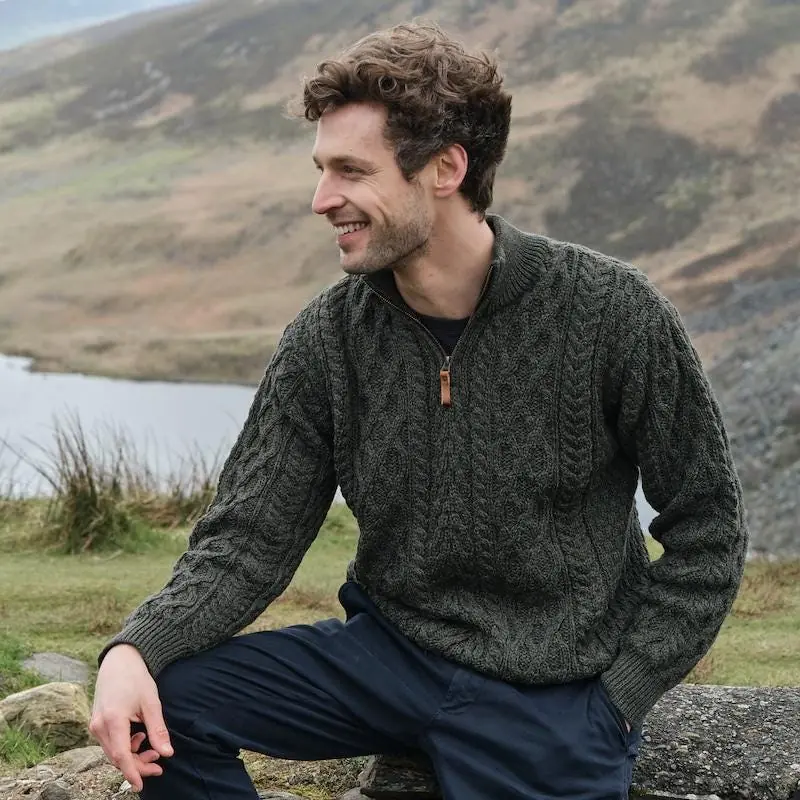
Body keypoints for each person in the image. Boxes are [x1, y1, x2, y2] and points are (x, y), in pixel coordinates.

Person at [89, 21, 748, 800]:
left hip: (553, 697)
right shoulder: (328, 338)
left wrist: (619, 700)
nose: (321, 200)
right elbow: (247, 539)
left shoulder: (611, 312)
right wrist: (135, 650)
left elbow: (708, 525)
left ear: (445, 168)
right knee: (163, 706)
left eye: (350, 171)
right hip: (386, 659)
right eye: (321, 170)